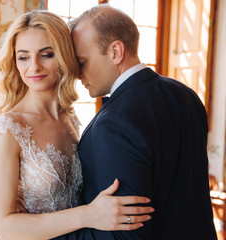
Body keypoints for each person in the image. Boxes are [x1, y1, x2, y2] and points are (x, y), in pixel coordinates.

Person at [0, 10, 154, 240]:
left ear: (65, 56)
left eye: (46, 54)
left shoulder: (70, 118)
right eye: (23, 57)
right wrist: (88, 215)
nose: (33, 67)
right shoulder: (8, 129)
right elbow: (3, 229)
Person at [54, 3, 217, 240]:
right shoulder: (187, 95)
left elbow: (124, 236)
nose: (77, 74)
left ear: (115, 52)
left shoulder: (115, 121)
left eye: (82, 62)